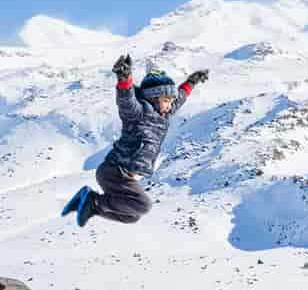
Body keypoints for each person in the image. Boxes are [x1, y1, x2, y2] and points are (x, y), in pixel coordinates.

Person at [62, 54, 209, 227]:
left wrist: (191, 81)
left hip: (124, 176)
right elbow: (126, 101)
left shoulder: (164, 114)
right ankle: (92, 201)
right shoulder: (139, 112)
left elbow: (180, 98)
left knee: (131, 216)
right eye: (167, 100)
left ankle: (89, 205)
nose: (170, 104)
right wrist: (124, 80)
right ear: (154, 97)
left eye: (170, 101)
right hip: (115, 171)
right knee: (143, 205)